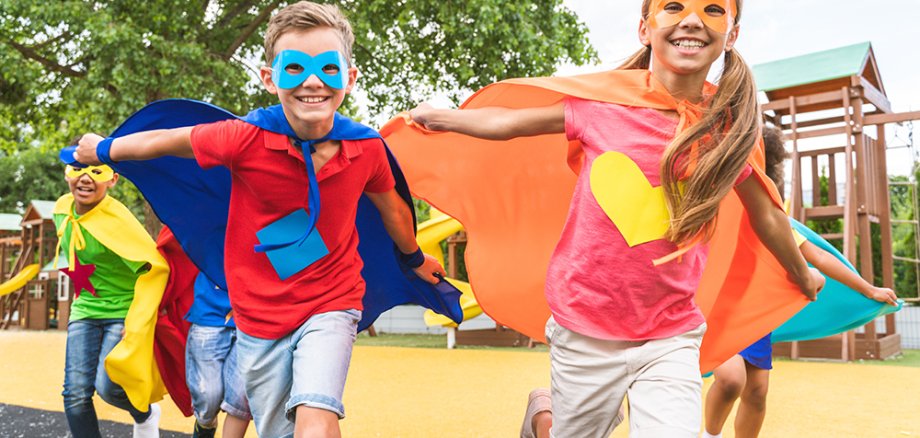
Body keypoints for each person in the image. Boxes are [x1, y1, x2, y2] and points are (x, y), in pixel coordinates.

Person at [409, 0, 824, 436]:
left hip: (671, 332)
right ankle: (544, 416)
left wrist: (802, 273)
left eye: (713, 9)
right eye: (674, 6)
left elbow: (769, 217)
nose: (691, 20)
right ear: (645, 29)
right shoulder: (601, 107)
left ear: (731, 35)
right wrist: (443, 117)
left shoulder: (727, 132)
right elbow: (511, 124)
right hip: (585, 325)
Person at [72, 2, 445, 436]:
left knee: (317, 413)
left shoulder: (366, 147)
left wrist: (414, 258)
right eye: (294, 69)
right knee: (274, 428)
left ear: (349, 76)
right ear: (270, 78)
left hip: (333, 301)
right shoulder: (245, 138)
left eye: (328, 68)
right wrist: (102, 149)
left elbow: (395, 210)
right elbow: (167, 141)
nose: (312, 82)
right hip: (259, 315)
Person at [701, 126, 899, 438]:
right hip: (716, 311)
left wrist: (867, 288)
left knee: (757, 392)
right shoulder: (716, 207)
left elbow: (818, 258)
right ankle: (709, 434)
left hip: (753, 314)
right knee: (730, 379)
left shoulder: (769, 219)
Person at [54, 163, 163, 438]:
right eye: (78, 169)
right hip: (85, 309)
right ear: (67, 173)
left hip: (123, 310)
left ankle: (145, 413)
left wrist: (138, 318)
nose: (86, 178)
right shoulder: (61, 210)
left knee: (108, 387)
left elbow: (154, 267)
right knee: (75, 395)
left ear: (113, 179)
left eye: (96, 171)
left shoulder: (118, 220)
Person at [185, 273, 251, 438]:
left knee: (240, 399)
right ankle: (205, 425)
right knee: (208, 396)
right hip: (210, 310)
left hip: (254, 314)